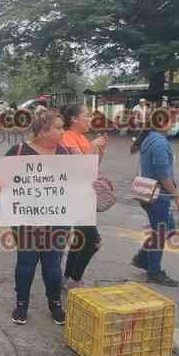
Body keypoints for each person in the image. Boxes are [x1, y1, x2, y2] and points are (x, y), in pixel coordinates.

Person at [0, 109, 70, 325]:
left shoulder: (67, 155)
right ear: (44, 131)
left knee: (53, 265)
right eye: (59, 128)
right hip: (26, 221)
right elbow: (2, 182)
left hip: (57, 221)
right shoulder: (17, 152)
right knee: (26, 263)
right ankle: (21, 304)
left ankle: (55, 304)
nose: (63, 132)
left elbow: (77, 184)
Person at [131, 114, 179, 287]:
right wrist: (177, 197)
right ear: (162, 123)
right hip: (158, 195)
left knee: (166, 230)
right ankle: (154, 271)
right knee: (161, 232)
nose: (174, 123)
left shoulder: (150, 138)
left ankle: (142, 257)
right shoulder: (159, 142)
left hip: (149, 192)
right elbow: (163, 175)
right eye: (172, 120)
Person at [59, 104, 108, 290]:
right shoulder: (67, 137)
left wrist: (99, 150)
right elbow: (79, 165)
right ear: (74, 119)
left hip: (84, 194)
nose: (90, 119)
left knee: (80, 239)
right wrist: (94, 145)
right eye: (86, 116)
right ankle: (74, 280)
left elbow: (93, 164)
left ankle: (67, 277)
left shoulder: (81, 138)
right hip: (74, 196)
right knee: (94, 241)